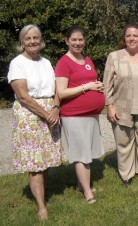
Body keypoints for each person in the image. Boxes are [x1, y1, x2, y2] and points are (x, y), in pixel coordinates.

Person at [7, 24, 63, 220]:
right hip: (29, 115)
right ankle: (41, 206)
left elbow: (57, 89)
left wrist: (55, 108)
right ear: (22, 42)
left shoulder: (46, 62)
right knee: (35, 163)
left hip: (50, 111)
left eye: (36, 38)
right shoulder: (17, 63)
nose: (32, 41)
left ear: (41, 41)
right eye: (28, 38)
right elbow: (23, 96)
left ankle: (42, 192)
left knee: (46, 159)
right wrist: (46, 114)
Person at [103, 23, 138, 188]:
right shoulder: (114, 57)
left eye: (135, 35)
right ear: (124, 38)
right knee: (124, 144)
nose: (132, 38)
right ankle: (126, 175)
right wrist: (110, 106)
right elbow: (107, 85)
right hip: (122, 109)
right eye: (128, 35)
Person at [55, 25, 105, 204]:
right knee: (80, 155)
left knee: (87, 153)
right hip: (74, 116)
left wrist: (96, 85)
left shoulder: (87, 59)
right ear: (66, 41)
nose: (78, 43)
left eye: (80, 39)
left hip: (90, 116)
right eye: (74, 40)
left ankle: (80, 184)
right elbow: (61, 92)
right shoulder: (64, 63)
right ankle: (87, 192)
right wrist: (88, 87)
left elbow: (88, 80)